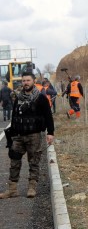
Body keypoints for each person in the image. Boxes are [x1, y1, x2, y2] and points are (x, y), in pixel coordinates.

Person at [0, 71, 54, 199]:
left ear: (33, 81)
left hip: (34, 135)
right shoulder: (18, 98)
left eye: (28, 80)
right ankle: (12, 190)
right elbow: (14, 116)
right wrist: (11, 135)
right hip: (18, 136)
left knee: (34, 162)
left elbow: (48, 116)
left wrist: (50, 133)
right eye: (23, 81)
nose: (25, 83)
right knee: (14, 161)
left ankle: (32, 188)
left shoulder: (40, 98)